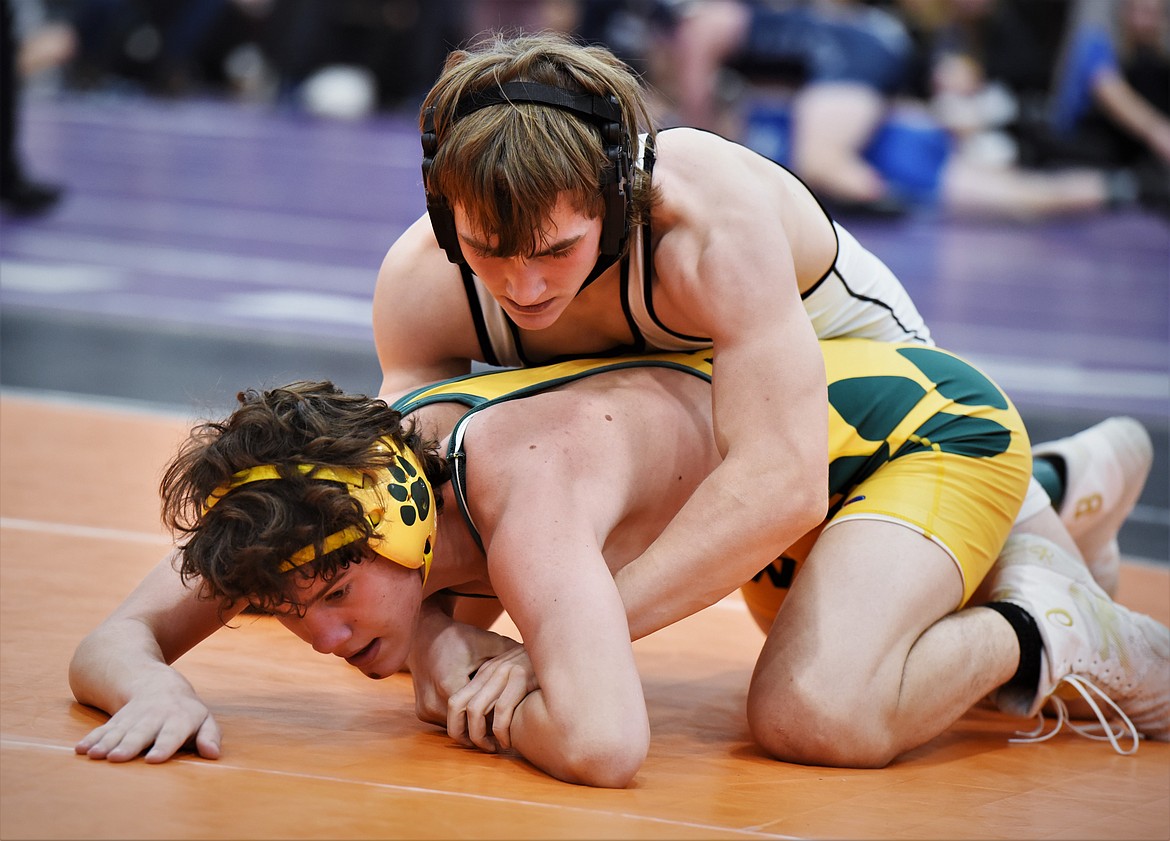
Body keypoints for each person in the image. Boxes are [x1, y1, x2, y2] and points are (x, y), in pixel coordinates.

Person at [70, 340, 1168, 787]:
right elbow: (110, 640)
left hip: (917, 435)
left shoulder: (522, 482)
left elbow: (605, 743)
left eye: (334, 597)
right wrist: (155, 677)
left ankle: (1055, 620)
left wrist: (482, 678)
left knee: (816, 711)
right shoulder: (306, 507)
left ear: (401, 522)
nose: (319, 635)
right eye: (286, 614)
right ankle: (1063, 500)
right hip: (791, 496)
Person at [373, 28, 1137, 634]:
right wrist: (436, 639)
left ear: (617, 193)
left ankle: (1036, 497)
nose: (526, 286)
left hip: (855, 376)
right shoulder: (420, 281)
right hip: (695, 399)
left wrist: (572, 640)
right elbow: (422, 496)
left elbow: (781, 483)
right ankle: (1061, 484)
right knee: (450, 461)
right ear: (446, 217)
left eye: (556, 249)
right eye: (488, 250)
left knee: (897, 647)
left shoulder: (704, 221)